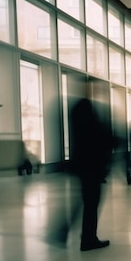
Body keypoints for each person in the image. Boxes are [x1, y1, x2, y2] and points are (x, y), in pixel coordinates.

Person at [47, 85, 112, 251]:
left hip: (84, 164)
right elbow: (94, 136)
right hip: (90, 164)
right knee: (90, 202)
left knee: (85, 202)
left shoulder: (78, 107)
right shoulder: (85, 108)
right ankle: (87, 239)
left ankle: (67, 233)